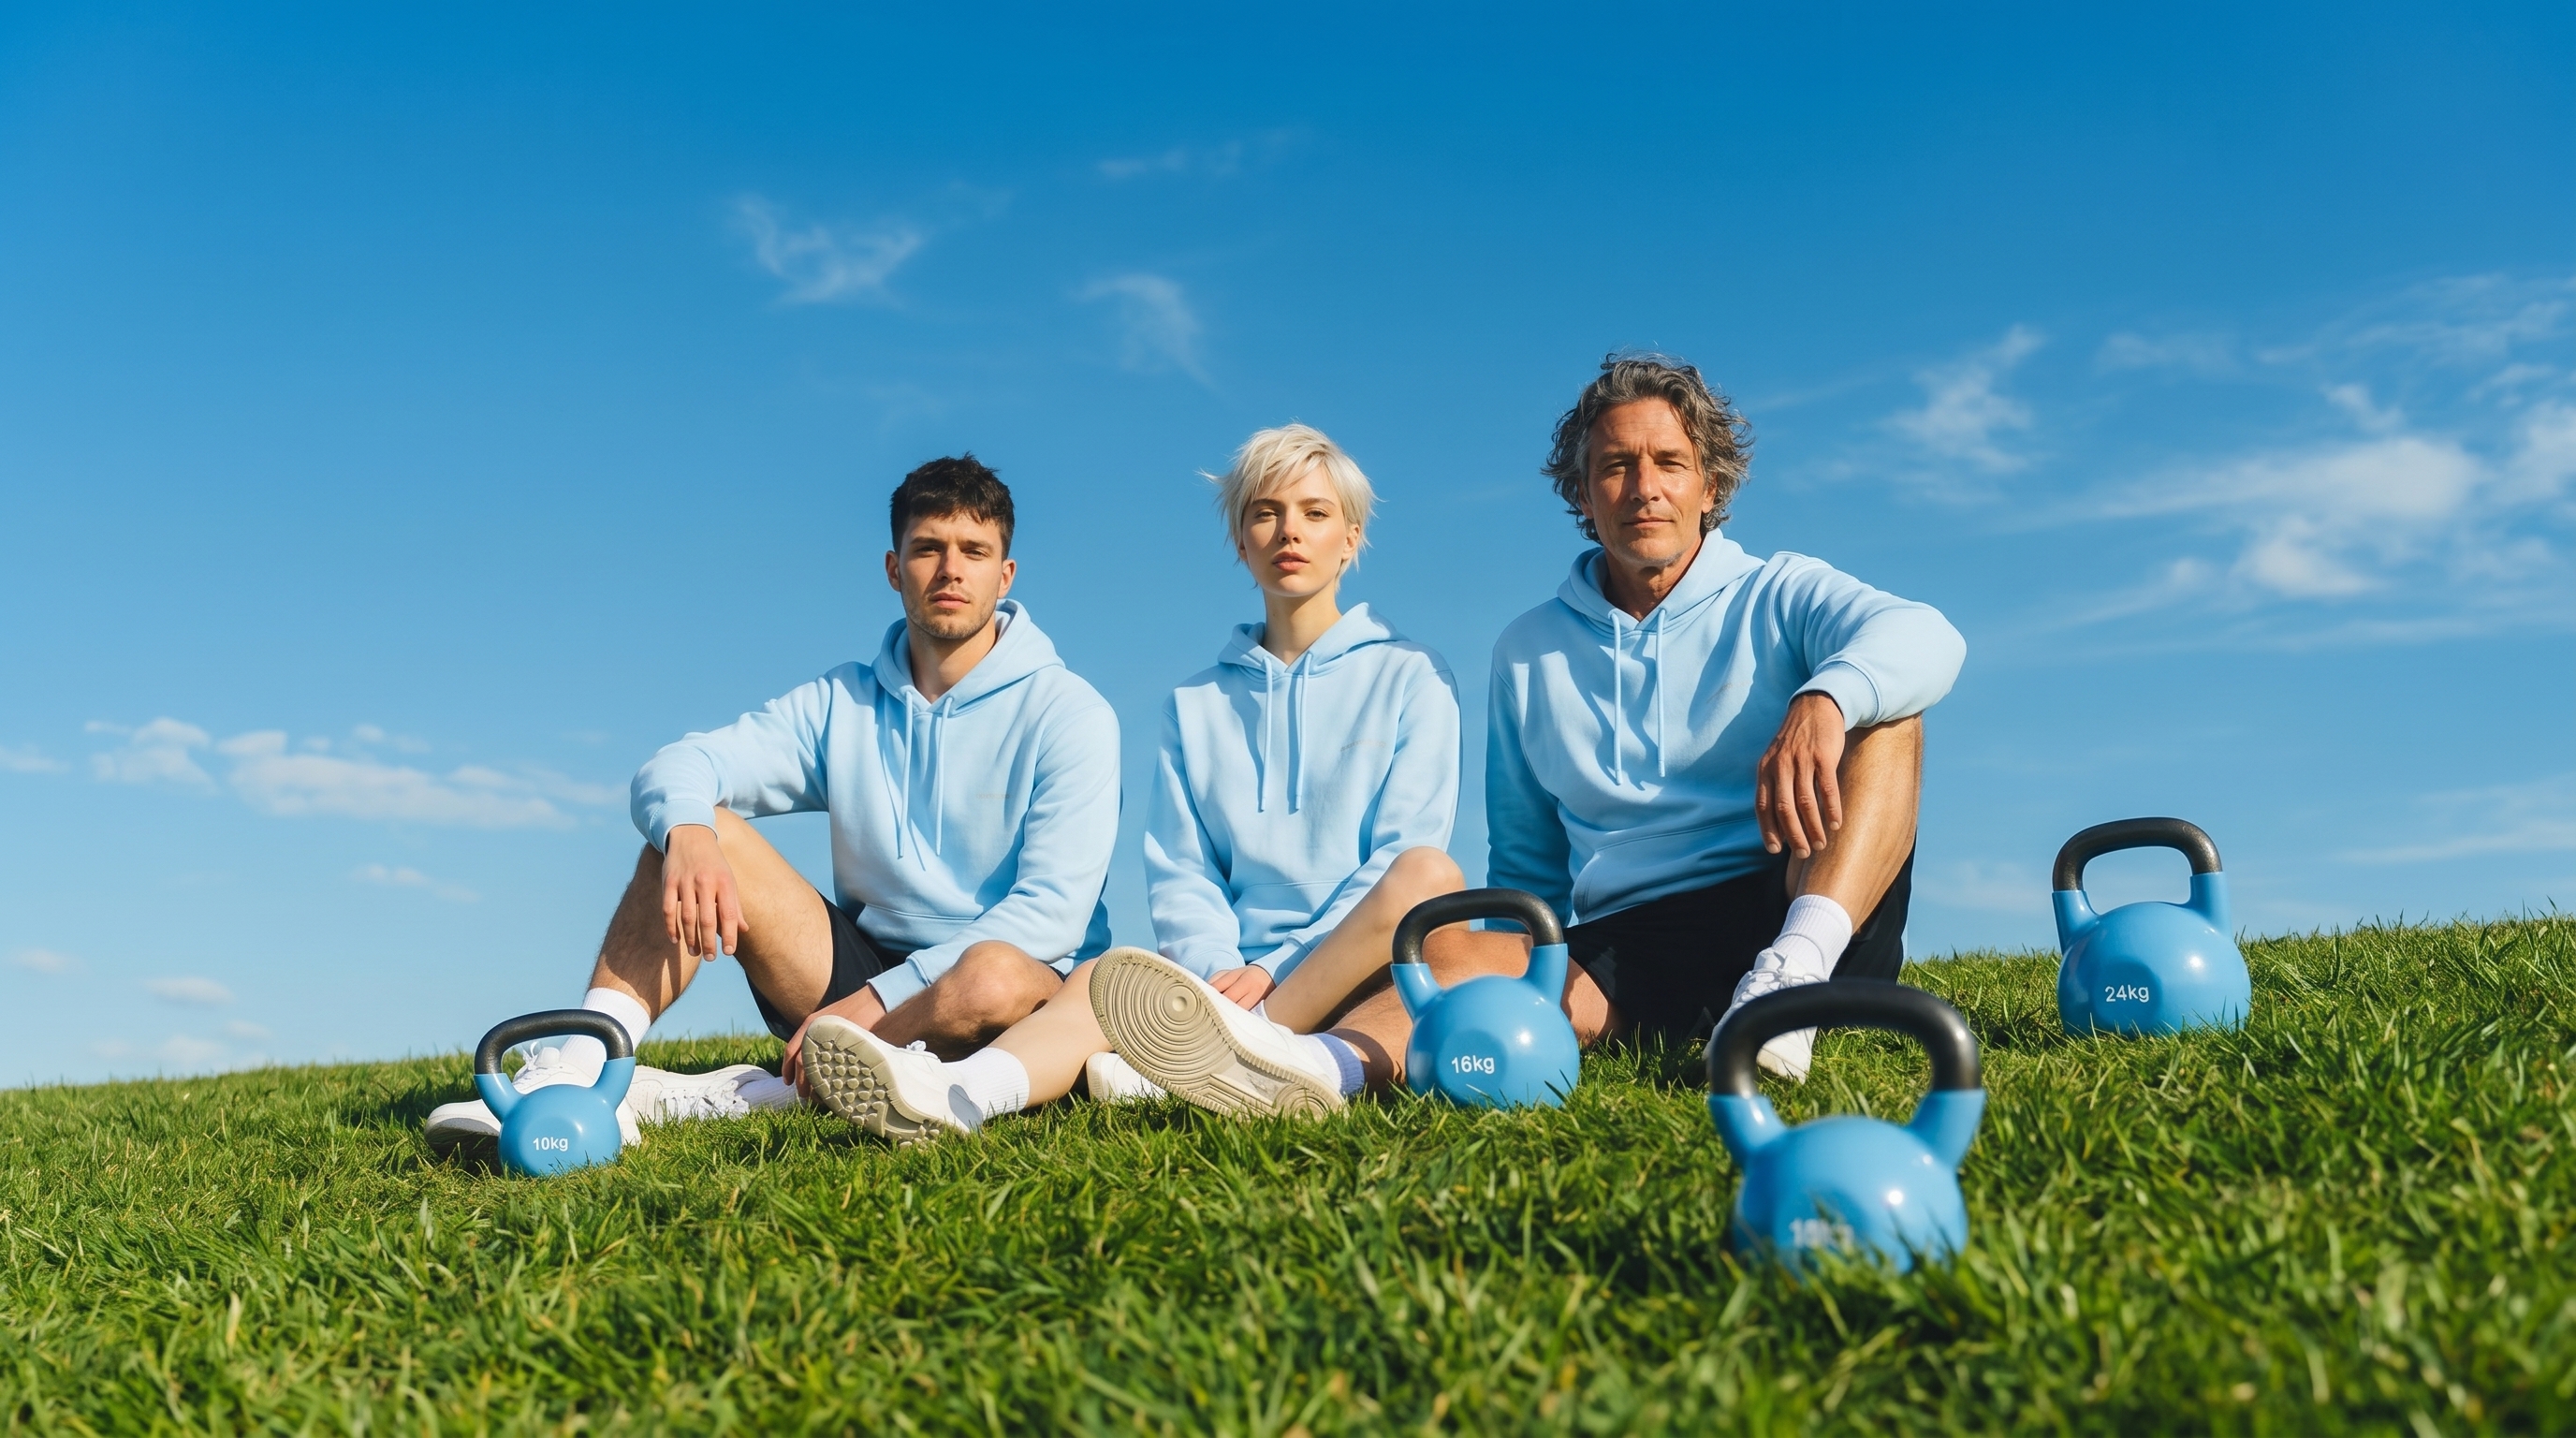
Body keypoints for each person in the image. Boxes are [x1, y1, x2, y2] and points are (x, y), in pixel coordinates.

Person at [426, 455, 1121, 1146]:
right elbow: (681, 764)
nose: (950, 570)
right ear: (892, 568)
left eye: (974, 551)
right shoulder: (842, 702)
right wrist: (690, 835)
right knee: (697, 830)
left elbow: (1051, 915)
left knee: (992, 974)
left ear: (1004, 575)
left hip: (1001, 997)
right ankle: (578, 1075)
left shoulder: (1070, 713)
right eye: (927, 549)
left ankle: (787, 1090)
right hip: (859, 969)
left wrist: (873, 1007)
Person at [798, 423, 1466, 1141]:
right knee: (1101, 973)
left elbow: (1400, 858)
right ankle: (959, 1092)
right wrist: (1216, 976)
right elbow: (1183, 873)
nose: (1288, 532)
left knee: (1430, 875)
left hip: (1344, 971)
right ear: (1240, 541)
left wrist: (1272, 976)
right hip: (1222, 987)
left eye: (1314, 512)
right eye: (1264, 513)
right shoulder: (1196, 702)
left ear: (1352, 537)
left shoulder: (1412, 677)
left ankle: (1242, 1053)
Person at [1462, 354, 1966, 1080]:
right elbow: (1525, 862)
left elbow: (1930, 636)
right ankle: (1313, 1066)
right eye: (1614, 466)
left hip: (1800, 907)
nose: (1644, 489)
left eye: (1669, 462)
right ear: (1581, 492)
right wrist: (1500, 980)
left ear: (1711, 483)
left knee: (1887, 713)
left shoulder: (1780, 591)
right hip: (1633, 949)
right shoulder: (1524, 650)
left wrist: (1824, 698)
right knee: (1449, 951)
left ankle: (1784, 992)